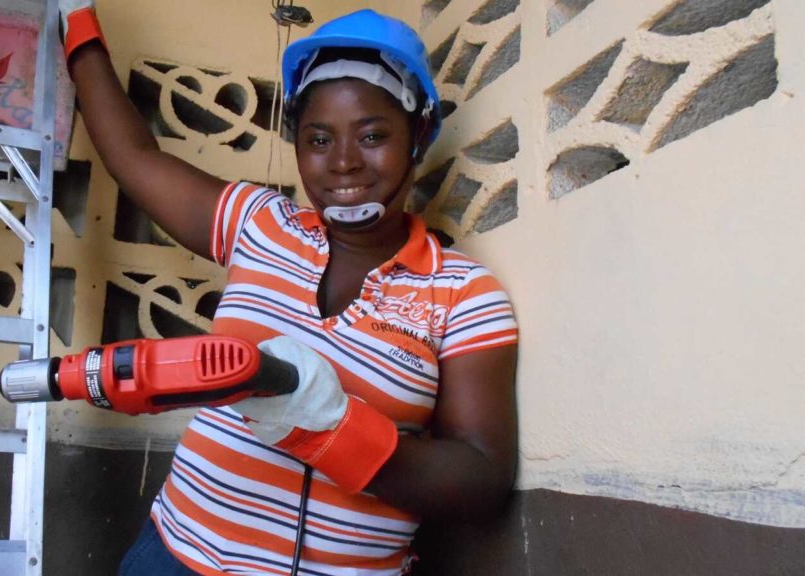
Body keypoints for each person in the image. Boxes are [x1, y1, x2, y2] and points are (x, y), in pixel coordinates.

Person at [59, 2, 519, 574]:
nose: (344, 163)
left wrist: (335, 429)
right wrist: (77, 21)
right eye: (319, 139)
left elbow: (482, 482)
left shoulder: (463, 293)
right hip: (176, 554)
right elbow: (133, 157)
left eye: (372, 135)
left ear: (419, 134)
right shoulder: (260, 225)